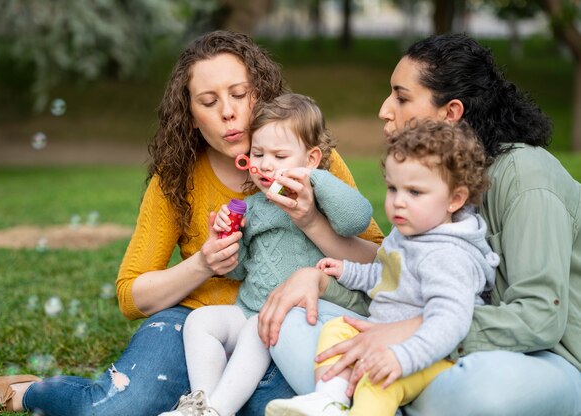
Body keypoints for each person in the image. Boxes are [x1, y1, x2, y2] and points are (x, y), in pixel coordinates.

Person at [0, 31, 384, 416]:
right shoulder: (176, 176)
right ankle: (25, 393)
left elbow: (382, 264)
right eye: (210, 102)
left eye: (240, 94)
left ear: (262, 94)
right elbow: (130, 293)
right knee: (115, 409)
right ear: (190, 114)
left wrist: (311, 221)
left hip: (291, 324)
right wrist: (203, 263)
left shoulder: (312, 162)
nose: (229, 114)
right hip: (199, 322)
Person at [260, 32, 581, 416]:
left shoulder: (526, 176)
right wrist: (323, 281)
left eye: (401, 96)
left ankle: (370, 395)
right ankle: (369, 399)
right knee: (289, 322)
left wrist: (415, 329)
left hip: (542, 359)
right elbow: (401, 282)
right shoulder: (422, 181)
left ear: (451, 112)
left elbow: (540, 317)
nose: (384, 109)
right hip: (436, 345)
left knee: (480, 391)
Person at [266, 119, 499, 416]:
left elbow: (449, 323)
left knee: (377, 381)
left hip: (433, 355)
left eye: (414, 192)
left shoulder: (447, 255)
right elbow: (391, 276)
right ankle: (329, 400)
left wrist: (401, 358)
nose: (398, 203)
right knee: (338, 329)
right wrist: (349, 271)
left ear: (455, 199)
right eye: (393, 188)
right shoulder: (413, 232)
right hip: (386, 332)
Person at [160, 93, 374, 416]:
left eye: (279, 155)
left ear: (311, 159)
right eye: (258, 153)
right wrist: (227, 240)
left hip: (299, 320)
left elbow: (357, 218)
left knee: (256, 328)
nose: (265, 164)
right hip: (250, 309)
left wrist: (314, 181)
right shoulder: (253, 208)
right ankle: (201, 403)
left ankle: (219, 409)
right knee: (199, 321)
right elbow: (239, 271)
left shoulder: (321, 199)